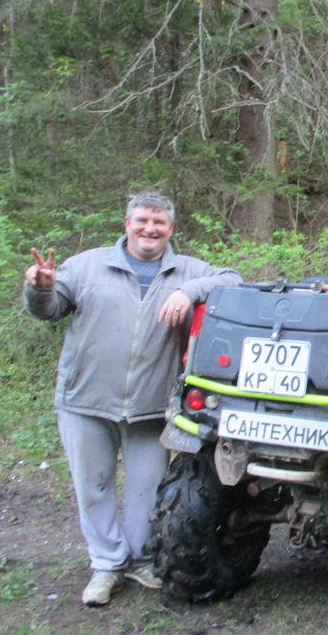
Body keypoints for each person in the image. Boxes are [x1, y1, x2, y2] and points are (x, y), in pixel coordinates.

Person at [23, 192, 242, 607]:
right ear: (127, 224)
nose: (149, 229)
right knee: (94, 486)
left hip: (150, 405)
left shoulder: (187, 270)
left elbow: (234, 279)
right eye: (141, 220)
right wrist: (39, 288)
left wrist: (190, 291)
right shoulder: (87, 265)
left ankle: (140, 560)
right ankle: (106, 565)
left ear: (170, 229)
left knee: (147, 489)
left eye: (159, 223)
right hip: (86, 400)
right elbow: (48, 309)